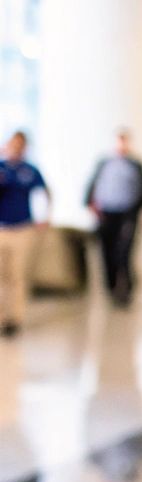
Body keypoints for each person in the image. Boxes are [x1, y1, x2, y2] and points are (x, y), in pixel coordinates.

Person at [83, 129, 142, 307]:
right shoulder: (104, 163)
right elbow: (91, 188)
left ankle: (126, 290)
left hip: (127, 215)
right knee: (107, 253)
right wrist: (92, 206)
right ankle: (110, 289)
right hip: (107, 214)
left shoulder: (135, 165)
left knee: (124, 254)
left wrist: (138, 210)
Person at [0, 130, 52, 336]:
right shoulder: (1, 167)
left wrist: (45, 217)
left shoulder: (30, 170)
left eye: (20, 144)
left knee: (17, 275)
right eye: (13, 144)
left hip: (22, 228)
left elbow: (45, 192)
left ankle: (14, 318)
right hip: (2, 228)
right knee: (2, 275)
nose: (16, 148)